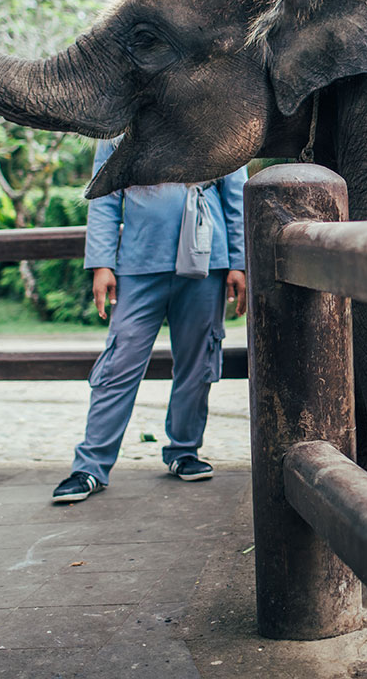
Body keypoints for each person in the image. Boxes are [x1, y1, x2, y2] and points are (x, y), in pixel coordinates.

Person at [51, 142, 246, 502]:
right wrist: (102, 264)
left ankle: (184, 450)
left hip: (208, 258)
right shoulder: (118, 126)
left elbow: (235, 191)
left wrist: (239, 262)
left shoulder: (217, 115)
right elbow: (104, 196)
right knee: (119, 362)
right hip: (139, 262)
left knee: (199, 361)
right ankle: (90, 466)